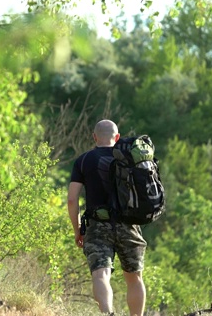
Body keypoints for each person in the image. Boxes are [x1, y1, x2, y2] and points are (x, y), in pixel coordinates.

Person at [67, 119, 147, 316]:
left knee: (101, 274)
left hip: (97, 225)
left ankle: (107, 313)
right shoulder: (129, 158)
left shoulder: (84, 160)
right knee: (134, 278)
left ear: (94, 137)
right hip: (129, 224)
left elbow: (71, 200)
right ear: (117, 137)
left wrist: (78, 230)